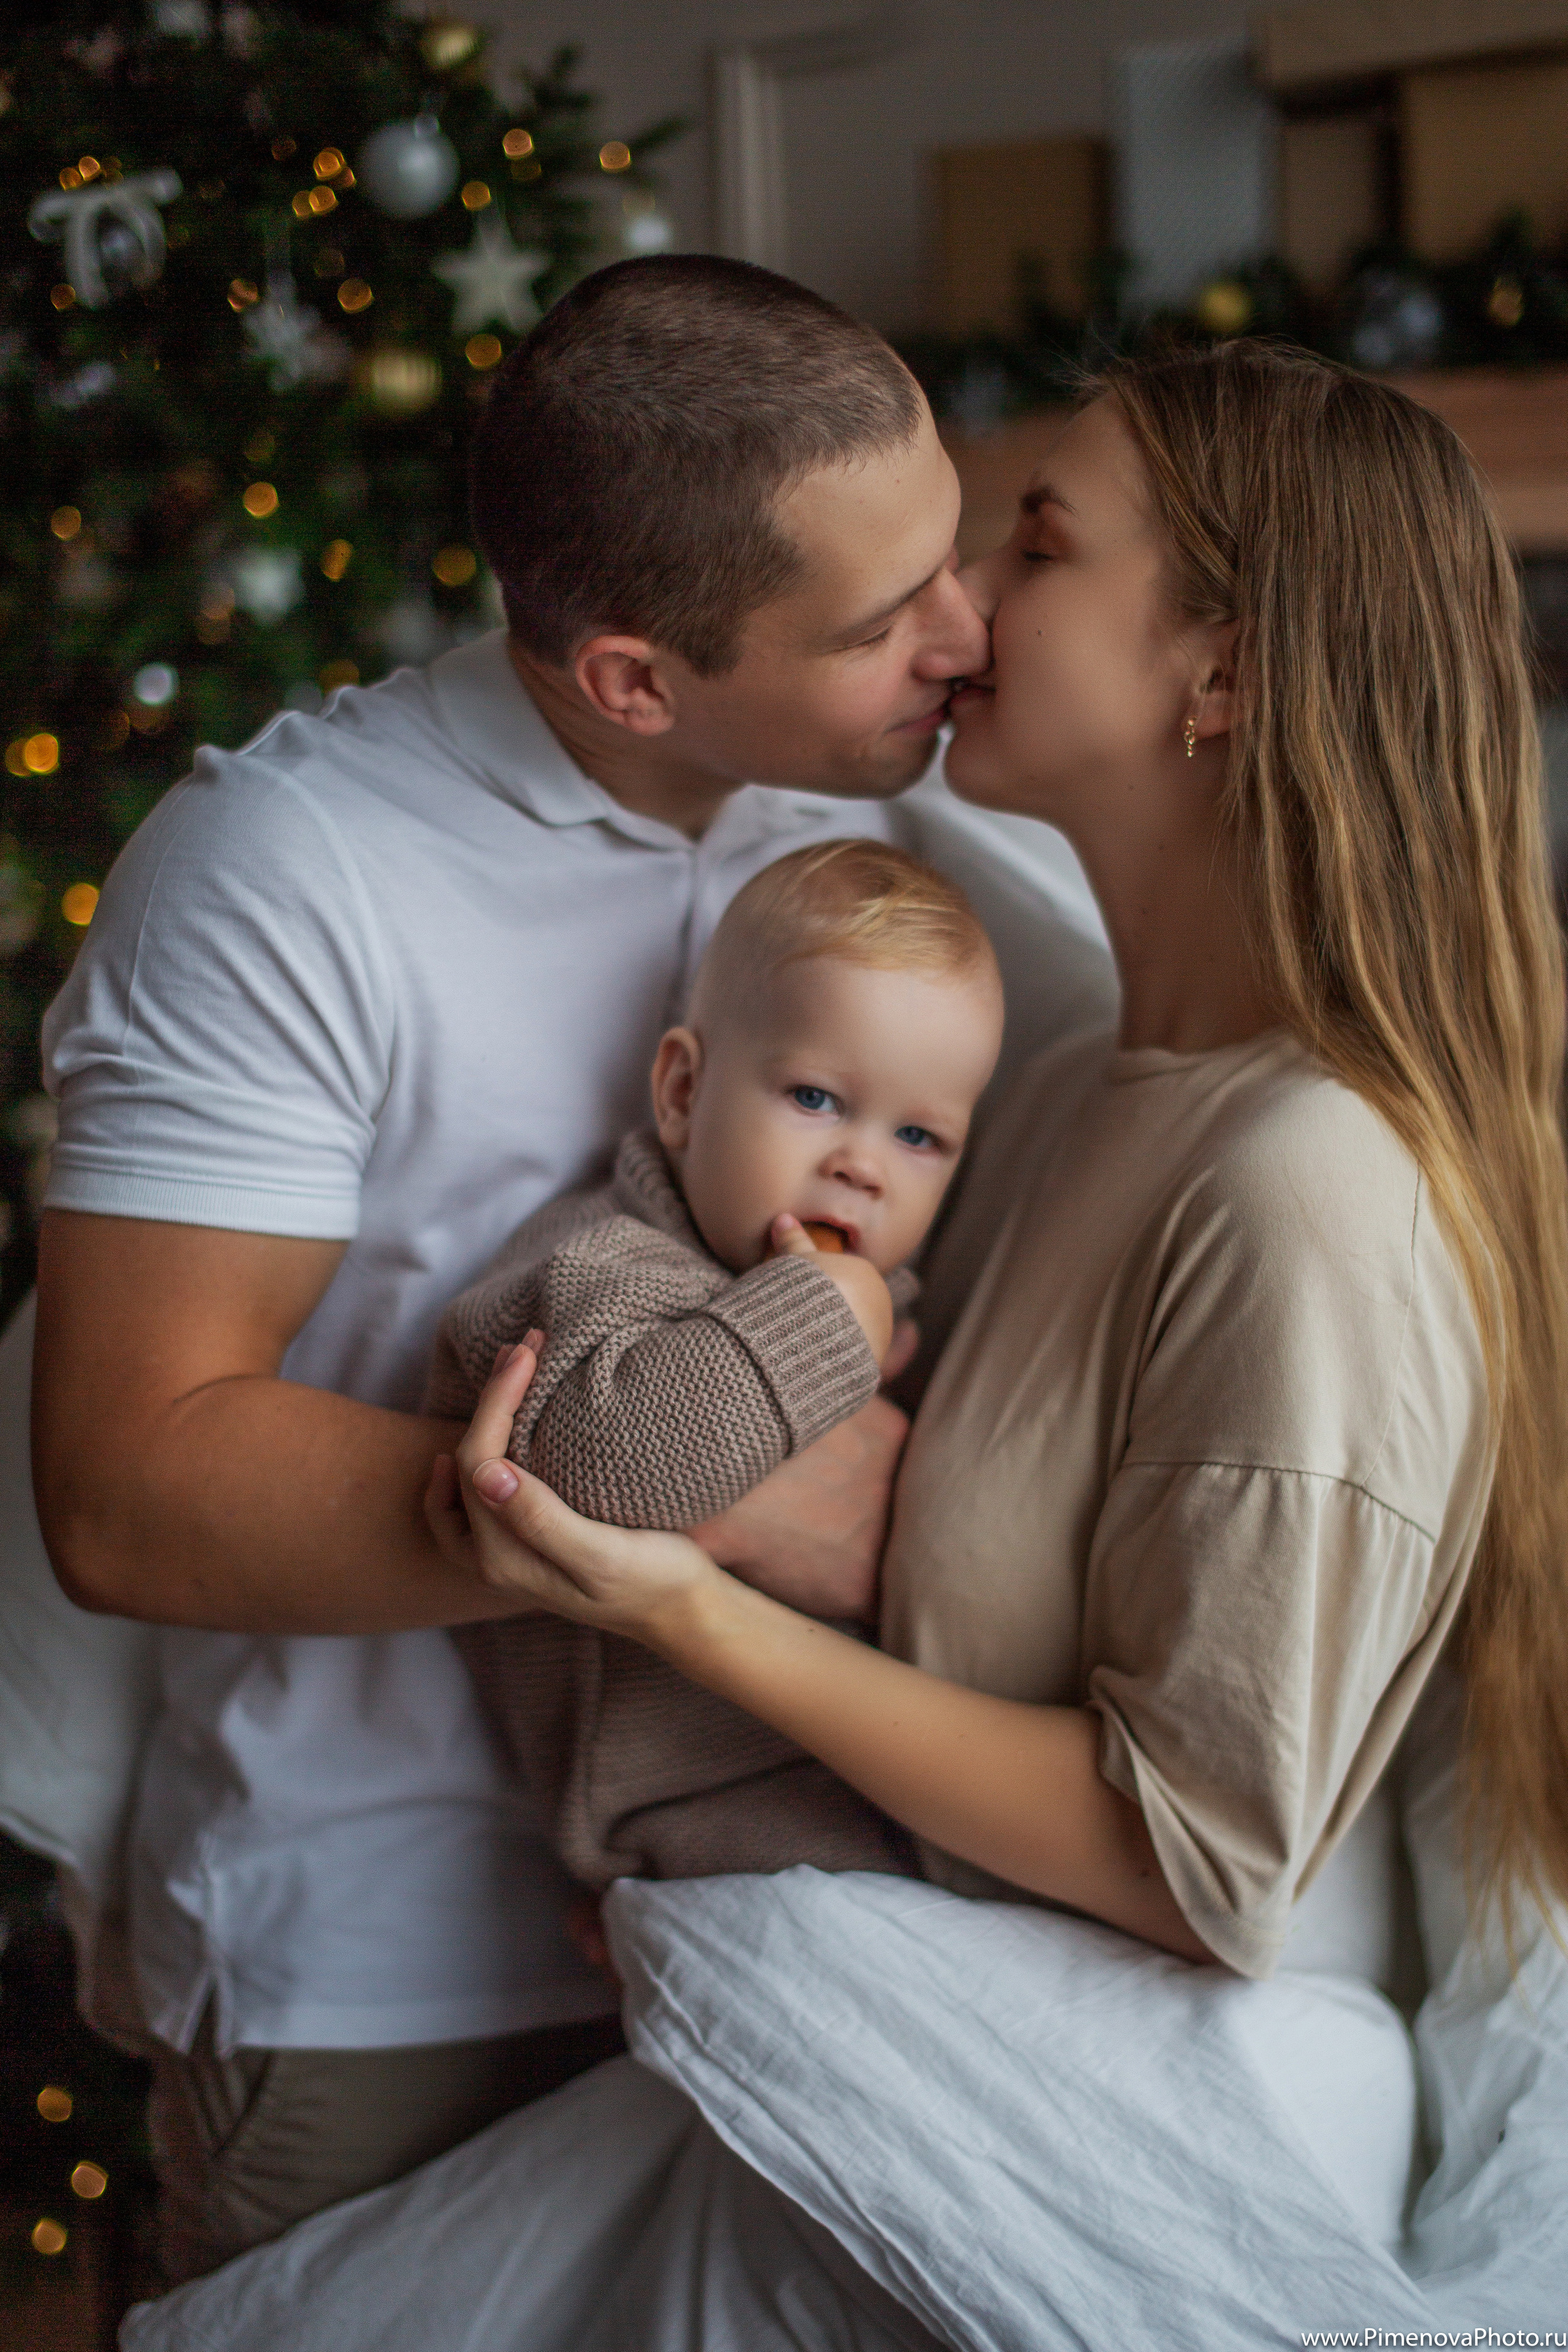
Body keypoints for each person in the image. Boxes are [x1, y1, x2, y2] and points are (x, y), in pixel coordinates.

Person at [28, 252, 1085, 2284]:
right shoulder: (287, 878)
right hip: (393, 1971)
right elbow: (127, 1488)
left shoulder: (867, 814)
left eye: (952, 555)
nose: (966, 640)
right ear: (629, 678)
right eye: (884, 619)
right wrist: (693, 1486)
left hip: (776, 1920)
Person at [432, 839, 1003, 1891]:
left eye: (920, 1134)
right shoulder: (608, 1261)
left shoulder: (886, 1309)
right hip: (695, 1827)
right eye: (817, 1099)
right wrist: (828, 1317)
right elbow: (601, 1469)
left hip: (866, 1787)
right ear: (686, 1092)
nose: (862, 1165)